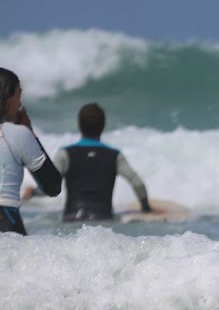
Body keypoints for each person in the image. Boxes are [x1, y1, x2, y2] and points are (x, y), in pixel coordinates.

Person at [24, 103, 151, 221]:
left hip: (72, 218)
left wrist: (33, 193)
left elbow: (50, 185)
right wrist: (145, 207)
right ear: (103, 125)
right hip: (104, 220)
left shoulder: (66, 153)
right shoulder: (114, 155)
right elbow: (137, 183)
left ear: (79, 124)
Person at [0, 68, 62, 235]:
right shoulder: (16, 134)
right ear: (6, 97)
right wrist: (30, 133)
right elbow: (53, 186)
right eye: (18, 95)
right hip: (6, 224)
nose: (20, 104)